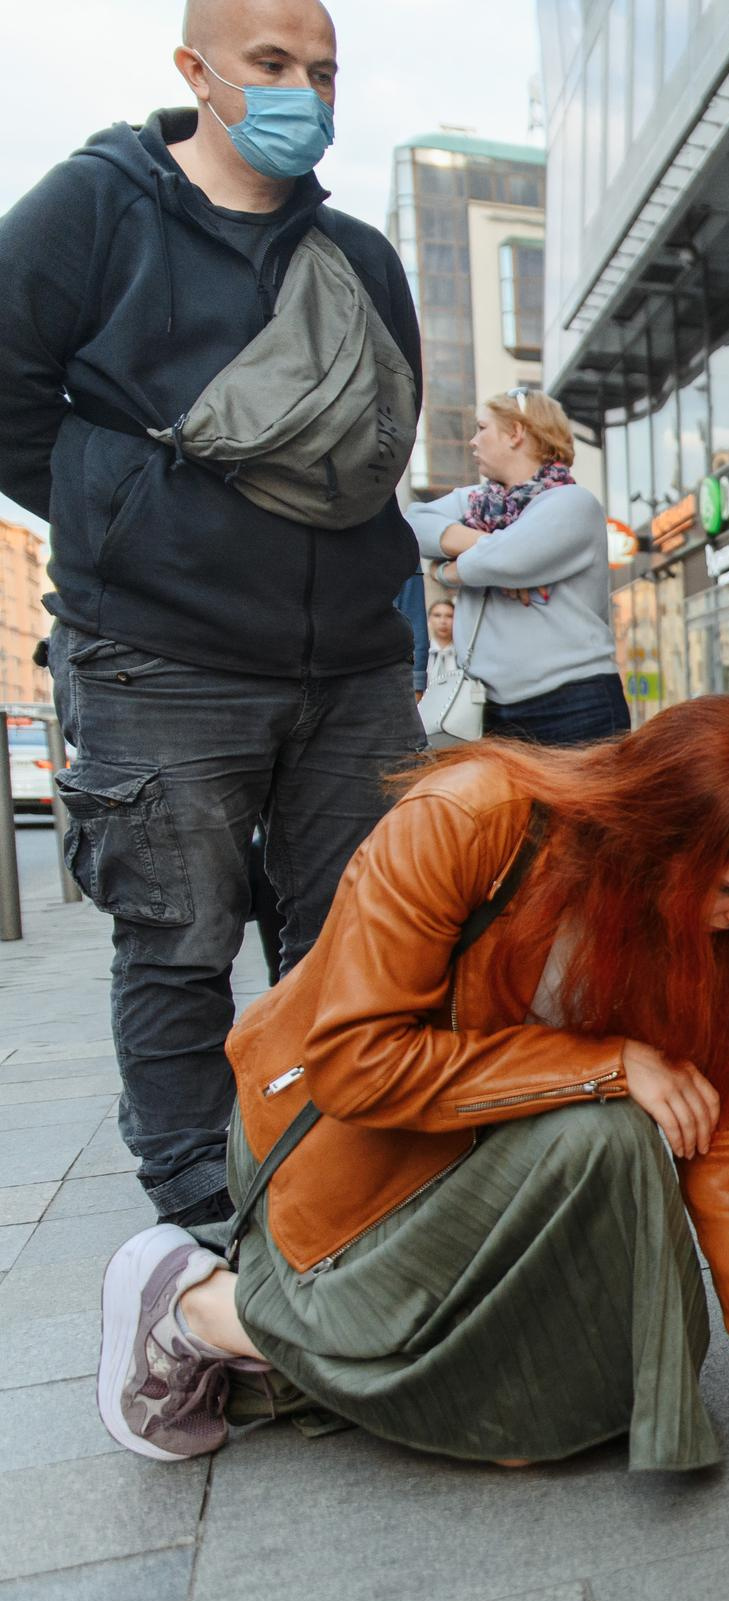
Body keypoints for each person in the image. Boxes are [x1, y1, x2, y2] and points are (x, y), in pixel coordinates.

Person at [95, 696, 729, 1468]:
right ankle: (200, 1302)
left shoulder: (722, 933)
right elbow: (353, 1063)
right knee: (608, 1136)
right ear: (658, 840)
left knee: (599, 1406)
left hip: (499, 1156)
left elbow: (719, 1135)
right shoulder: (469, 817)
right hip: (346, 1164)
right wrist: (603, 1064)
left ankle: (332, 1358)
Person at [0, 0, 425, 1229]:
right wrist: (127, 512)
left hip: (349, 664)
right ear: (197, 69)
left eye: (325, 71)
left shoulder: (358, 257)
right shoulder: (98, 208)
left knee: (354, 944)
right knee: (178, 945)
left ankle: (324, 1175)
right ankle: (196, 1210)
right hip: (160, 661)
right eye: (274, 64)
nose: (305, 91)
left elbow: (377, 440)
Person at [408, 388, 626, 747]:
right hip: (492, 709)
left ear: (516, 433)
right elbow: (413, 524)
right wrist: (494, 547)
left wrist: (445, 570)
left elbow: (506, 561)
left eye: (482, 428)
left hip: (573, 707)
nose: (472, 441)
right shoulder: (478, 503)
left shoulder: (573, 504)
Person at [425, 598, 459, 693]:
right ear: (429, 619)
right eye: (437, 615)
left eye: (449, 616)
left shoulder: (464, 654)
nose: (443, 621)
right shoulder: (421, 653)